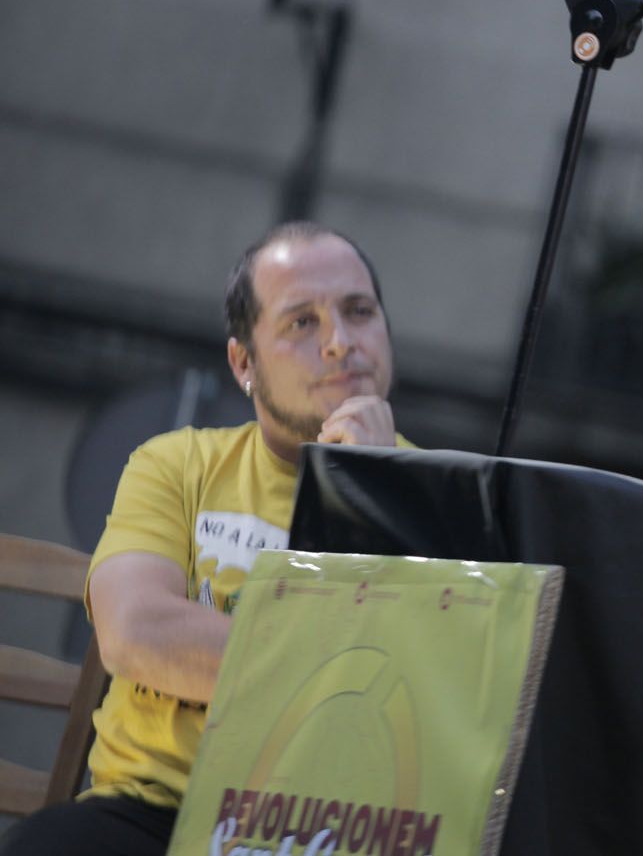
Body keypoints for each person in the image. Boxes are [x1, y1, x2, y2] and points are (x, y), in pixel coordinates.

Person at [0, 222, 409, 856]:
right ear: (244, 362)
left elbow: (423, 703)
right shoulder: (176, 465)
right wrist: (339, 666)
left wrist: (376, 496)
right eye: (302, 322)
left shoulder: (448, 497)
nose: (340, 343)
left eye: (359, 312)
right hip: (150, 816)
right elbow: (138, 636)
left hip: (324, 836)